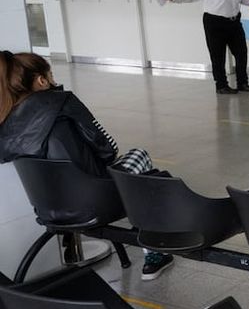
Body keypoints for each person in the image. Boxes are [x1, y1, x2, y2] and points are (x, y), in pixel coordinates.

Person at [0, 51, 173, 280]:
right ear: (42, 80)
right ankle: (154, 255)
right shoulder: (61, 101)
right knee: (139, 159)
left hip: (50, 209)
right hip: (96, 200)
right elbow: (108, 150)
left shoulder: (6, 123)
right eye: (50, 75)